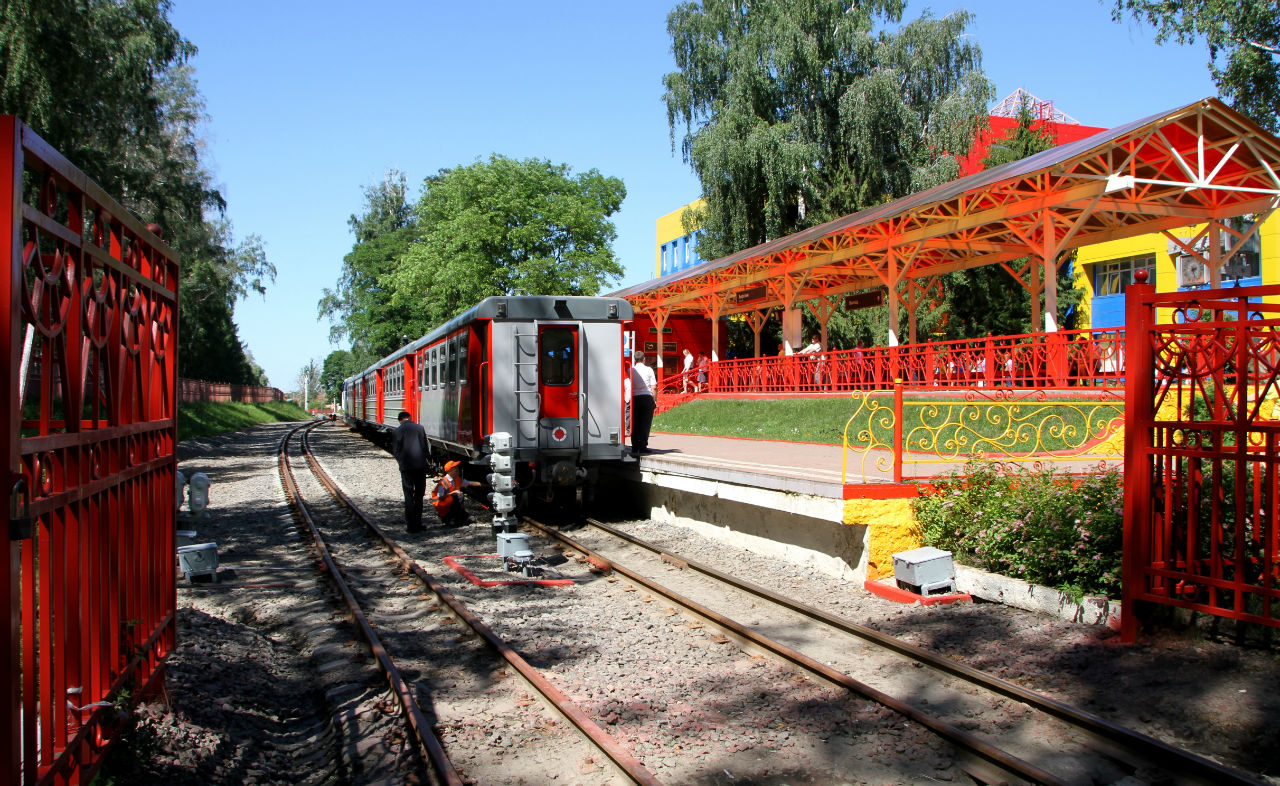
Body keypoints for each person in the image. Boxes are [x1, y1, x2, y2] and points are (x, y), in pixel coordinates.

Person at [391, 411, 429, 533]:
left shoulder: (397, 431)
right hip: (420, 466)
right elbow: (424, 447)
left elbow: (396, 450)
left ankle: (410, 525)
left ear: (400, 420)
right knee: (419, 495)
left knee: (408, 495)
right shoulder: (419, 428)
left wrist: (401, 463)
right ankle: (418, 523)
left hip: (406, 468)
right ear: (409, 418)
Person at [432, 460, 482, 527]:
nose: (458, 469)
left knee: (463, 511)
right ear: (450, 471)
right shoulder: (443, 482)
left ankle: (456, 518)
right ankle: (449, 519)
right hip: (442, 506)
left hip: (449, 503)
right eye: (455, 468)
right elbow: (440, 497)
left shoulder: (456, 479)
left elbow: (470, 483)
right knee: (459, 496)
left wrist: (485, 485)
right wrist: (453, 492)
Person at [629, 351, 657, 453]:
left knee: (635, 422)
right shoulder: (649, 369)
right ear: (644, 359)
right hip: (646, 397)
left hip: (634, 398)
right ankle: (643, 445)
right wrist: (654, 400)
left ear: (635, 360)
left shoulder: (630, 370)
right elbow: (654, 387)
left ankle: (634, 445)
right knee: (645, 422)